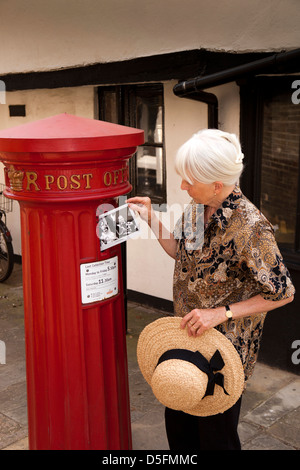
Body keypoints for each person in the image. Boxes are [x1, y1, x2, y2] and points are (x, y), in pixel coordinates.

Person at [127, 128, 295, 451]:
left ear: (217, 184)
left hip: (222, 353)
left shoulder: (251, 227)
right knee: (179, 432)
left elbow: (284, 292)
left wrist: (221, 312)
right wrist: (151, 217)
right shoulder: (195, 207)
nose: (182, 186)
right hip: (184, 339)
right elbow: (181, 252)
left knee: (216, 439)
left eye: (190, 180)